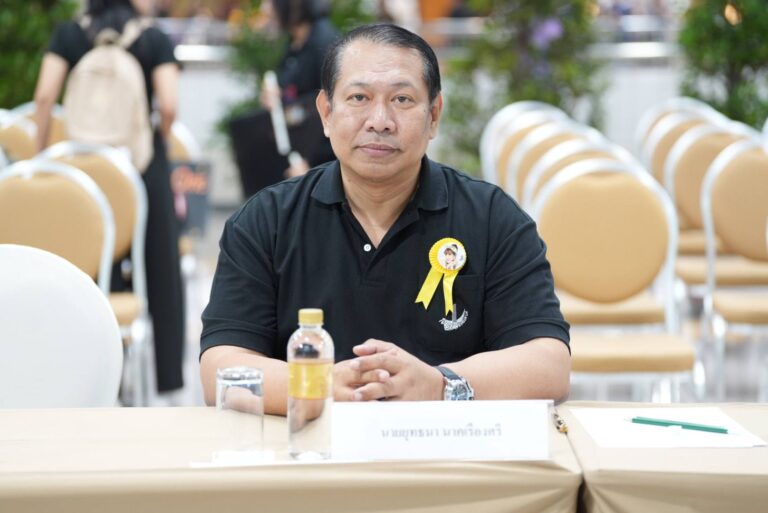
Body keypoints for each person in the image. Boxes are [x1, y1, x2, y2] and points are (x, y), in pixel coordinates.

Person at [200, 24, 570, 414]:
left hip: (447, 447)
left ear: (434, 116)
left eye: (402, 99)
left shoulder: (492, 218)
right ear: (326, 113)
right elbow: (220, 369)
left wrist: (440, 385)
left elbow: (549, 364)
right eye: (359, 97)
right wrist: (320, 386)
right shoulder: (266, 221)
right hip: (309, 444)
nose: (380, 120)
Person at [33, 0, 186, 395]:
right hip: (139, 166)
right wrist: (156, 141)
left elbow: (45, 97)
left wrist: (41, 155)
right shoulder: (153, 38)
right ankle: (168, 379)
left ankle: (84, 374)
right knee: (161, 266)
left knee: (83, 262)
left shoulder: (69, 33)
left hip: (82, 167)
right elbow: (169, 105)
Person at [259, 0, 338, 178]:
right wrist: (276, 97)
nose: (265, 9)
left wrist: (312, 166)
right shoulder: (294, 43)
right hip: (298, 157)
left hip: (320, 165)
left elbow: (334, 110)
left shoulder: (324, 43)